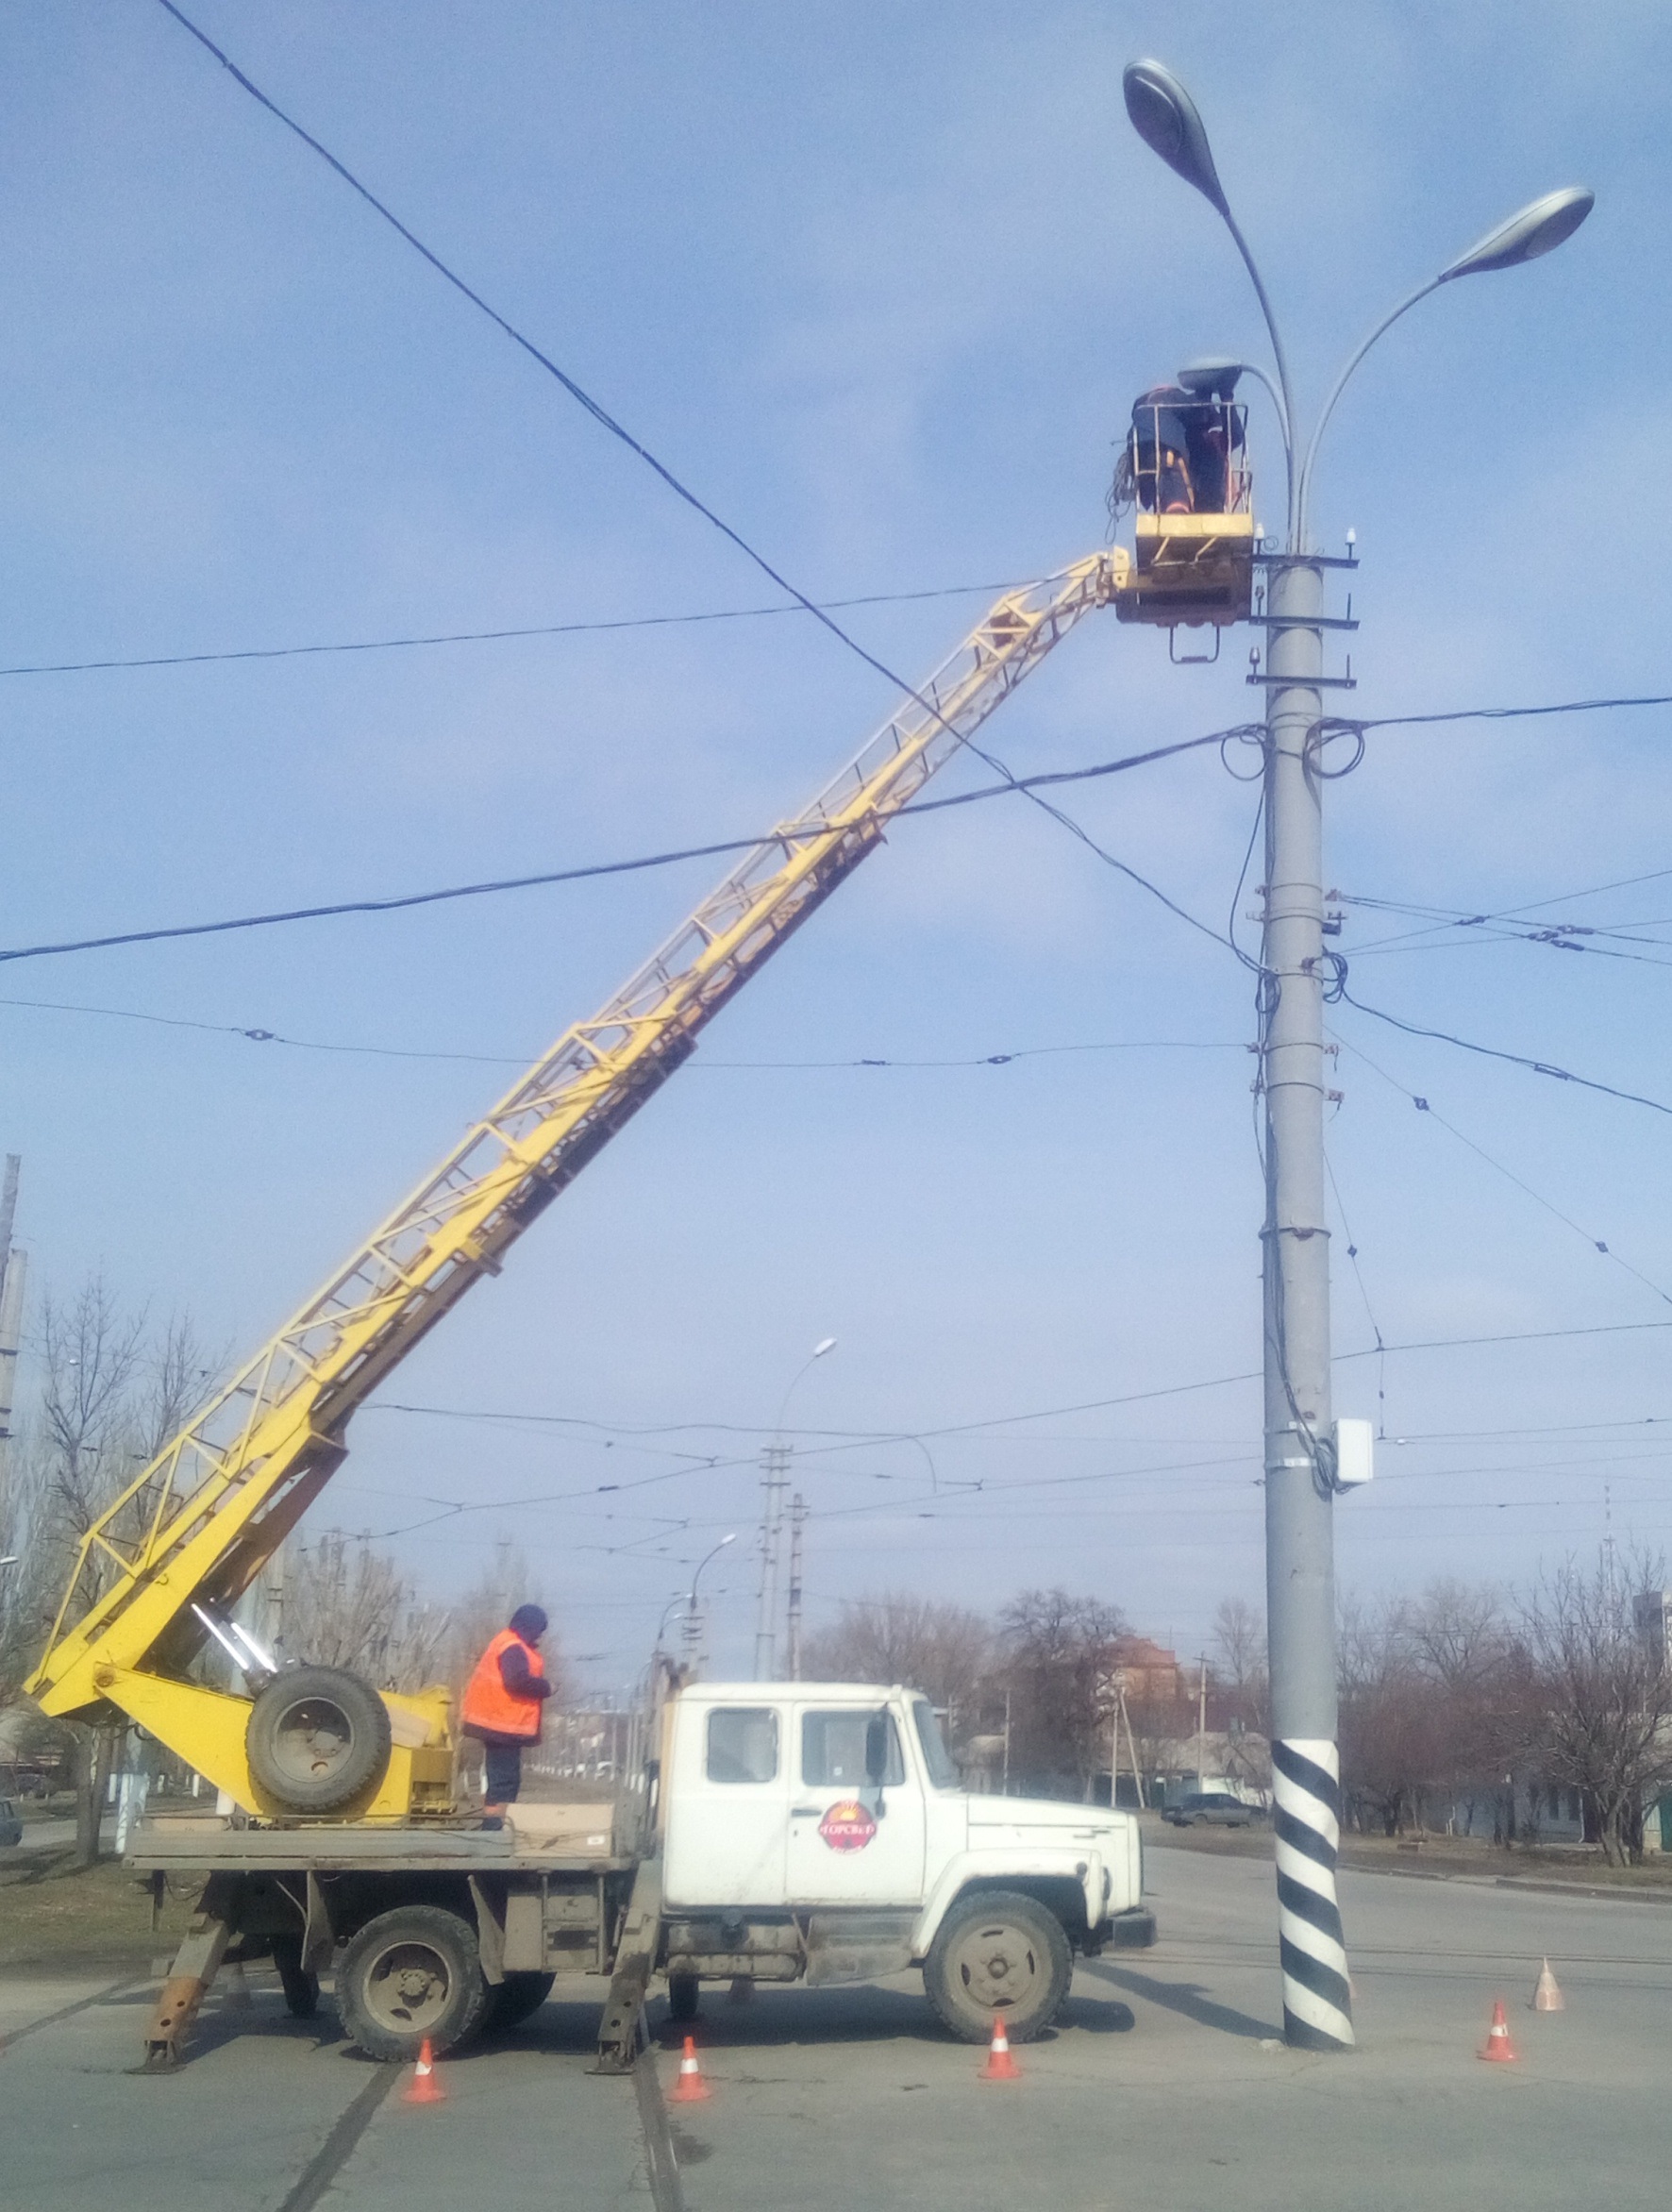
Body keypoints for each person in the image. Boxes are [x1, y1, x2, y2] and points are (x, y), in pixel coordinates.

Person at [460, 1602, 554, 1823]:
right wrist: (547, 1687)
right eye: (539, 1630)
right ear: (530, 1626)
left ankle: (496, 1827)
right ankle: (494, 1831)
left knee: (506, 1780)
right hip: (501, 1724)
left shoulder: (509, 1643)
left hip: (501, 1724)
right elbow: (516, 1681)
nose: (539, 1636)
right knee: (504, 1781)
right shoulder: (513, 1646)